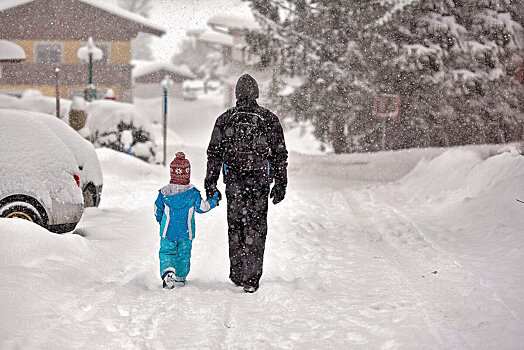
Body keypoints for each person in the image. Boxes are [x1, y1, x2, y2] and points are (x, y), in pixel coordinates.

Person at [205, 73, 288, 293]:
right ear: (256, 94)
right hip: (259, 183)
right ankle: (252, 278)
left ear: (237, 95)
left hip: (234, 183)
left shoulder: (225, 119)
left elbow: (214, 154)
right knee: (257, 227)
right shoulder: (269, 118)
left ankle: (238, 273)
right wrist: (281, 183)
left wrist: (210, 183)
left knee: (237, 226)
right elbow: (280, 154)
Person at [154, 152, 220, 289]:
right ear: (187, 174)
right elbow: (203, 207)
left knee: (167, 252)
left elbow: (157, 209)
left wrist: (161, 222)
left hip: (167, 232)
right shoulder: (193, 193)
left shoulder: (164, 193)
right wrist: (214, 200)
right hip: (186, 232)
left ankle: (168, 272)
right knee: (183, 254)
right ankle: (180, 277)